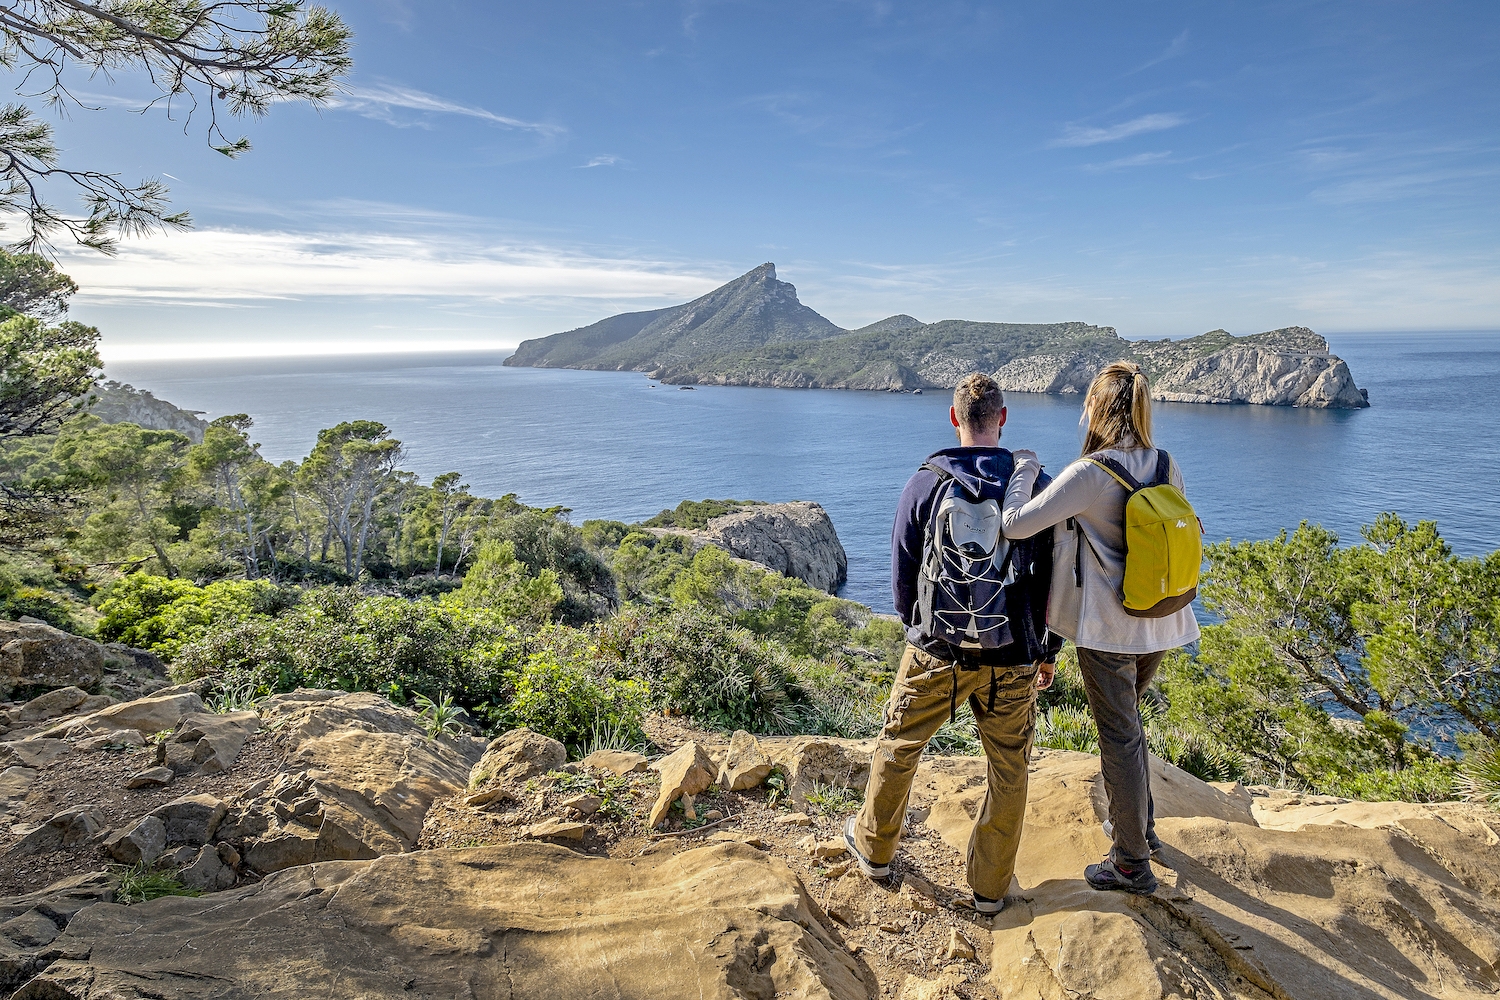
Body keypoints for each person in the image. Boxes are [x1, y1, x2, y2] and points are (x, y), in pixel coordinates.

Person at [843, 372, 1057, 915]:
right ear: (1003, 419)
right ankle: (989, 889)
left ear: (954, 418)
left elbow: (901, 570)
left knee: (899, 744)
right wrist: (1047, 650)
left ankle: (875, 851)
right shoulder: (1035, 485)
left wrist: (917, 628)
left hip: (936, 651)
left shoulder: (925, 482)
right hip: (1013, 658)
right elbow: (1052, 579)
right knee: (1008, 770)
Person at [1000, 361, 1200, 896]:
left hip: (1109, 632)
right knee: (1129, 725)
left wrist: (1022, 471)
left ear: (1096, 408)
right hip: (1162, 621)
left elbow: (1017, 525)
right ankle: (1143, 831)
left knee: (1119, 733)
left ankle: (1131, 861)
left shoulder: (1091, 473)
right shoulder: (1164, 463)